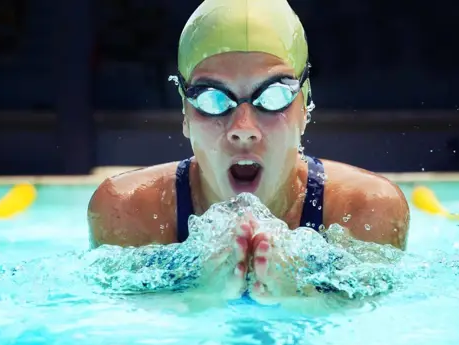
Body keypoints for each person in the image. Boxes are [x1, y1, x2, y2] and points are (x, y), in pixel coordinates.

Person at [88, 0, 410, 302]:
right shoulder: (130, 212)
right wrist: (198, 295)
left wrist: (299, 294)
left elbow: (370, 335)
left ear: (304, 107)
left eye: (273, 96)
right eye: (213, 99)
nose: (243, 128)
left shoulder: (364, 211)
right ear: (185, 113)